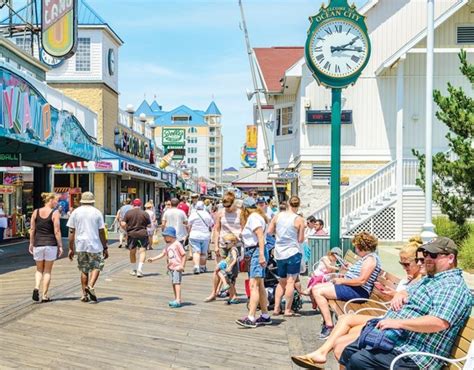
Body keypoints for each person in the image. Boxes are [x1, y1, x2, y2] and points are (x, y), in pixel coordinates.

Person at [336, 237, 472, 370]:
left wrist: (398, 323)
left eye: (433, 254)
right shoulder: (430, 280)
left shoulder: (452, 287)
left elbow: (439, 322)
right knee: (348, 351)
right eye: (426, 254)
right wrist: (402, 293)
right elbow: (409, 291)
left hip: (415, 355)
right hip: (396, 340)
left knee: (359, 360)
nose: (427, 258)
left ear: (450, 258)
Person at [292, 242, 427, 369]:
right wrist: (392, 293)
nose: (403, 267)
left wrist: (402, 293)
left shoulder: (422, 283)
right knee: (345, 320)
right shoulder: (408, 280)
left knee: (342, 344)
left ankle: (322, 350)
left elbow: (416, 307)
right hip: (387, 316)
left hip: (391, 321)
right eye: (401, 263)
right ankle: (321, 352)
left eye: (407, 264)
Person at [311, 231, 381, 339]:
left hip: (358, 291)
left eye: (356, 247)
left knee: (318, 291)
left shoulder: (370, 260)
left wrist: (342, 281)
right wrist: (350, 267)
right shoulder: (367, 258)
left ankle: (329, 326)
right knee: (315, 288)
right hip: (353, 288)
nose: (356, 249)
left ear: (361, 246)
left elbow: (362, 280)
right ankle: (327, 323)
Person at [235, 197, 271, 328]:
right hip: (255, 251)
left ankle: (251, 317)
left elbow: (260, 237)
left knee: (254, 285)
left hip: (256, 251)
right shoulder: (257, 216)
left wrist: (261, 255)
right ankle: (265, 315)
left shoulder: (253, 218)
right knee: (259, 285)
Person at [267, 195, 305, 316]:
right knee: (290, 282)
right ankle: (288, 310)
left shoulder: (278, 216)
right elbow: (300, 239)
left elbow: (269, 231)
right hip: (293, 252)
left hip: (279, 252)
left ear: (288, 203)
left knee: (281, 282)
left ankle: (276, 308)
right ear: (298, 205)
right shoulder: (299, 219)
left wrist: (278, 235)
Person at [67, 192, 108, 302]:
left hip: (80, 244)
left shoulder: (75, 212)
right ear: (92, 201)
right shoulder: (97, 213)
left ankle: (84, 295)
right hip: (95, 244)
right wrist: (105, 246)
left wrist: (71, 248)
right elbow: (101, 231)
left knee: (84, 269)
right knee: (97, 266)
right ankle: (90, 286)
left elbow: (71, 231)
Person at [28, 193, 63, 302]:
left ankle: (36, 287)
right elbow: (57, 230)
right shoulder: (55, 213)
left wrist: (31, 243)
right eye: (56, 200)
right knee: (47, 271)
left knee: (39, 269)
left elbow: (32, 229)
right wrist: (60, 245)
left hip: (38, 244)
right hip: (50, 244)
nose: (57, 203)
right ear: (50, 200)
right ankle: (44, 295)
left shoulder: (35, 212)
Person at [147, 226, 185, 308]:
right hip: (171, 267)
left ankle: (178, 300)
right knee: (173, 283)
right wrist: (153, 259)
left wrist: (182, 266)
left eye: (165, 236)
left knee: (177, 283)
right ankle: (176, 299)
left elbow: (184, 255)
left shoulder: (177, 244)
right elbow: (163, 254)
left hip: (177, 267)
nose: (164, 238)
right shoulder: (168, 244)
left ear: (171, 236)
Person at [205, 233, 240, 304]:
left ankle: (226, 286)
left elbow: (234, 259)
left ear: (233, 242)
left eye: (227, 243)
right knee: (231, 283)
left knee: (221, 274)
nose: (225, 245)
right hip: (231, 268)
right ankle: (232, 296)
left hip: (232, 269)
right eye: (224, 243)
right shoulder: (231, 249)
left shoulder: (233, 250)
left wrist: (230, 266)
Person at [122, 199, 151, 278]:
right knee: (142, 251)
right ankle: (140, 269)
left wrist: (126, 230)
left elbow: (123, 223)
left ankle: (133, 269)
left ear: (133, 205)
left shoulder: (128, 213)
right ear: (140, 205)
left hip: (132, 234)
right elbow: (149, 226)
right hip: (142, 234)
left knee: (132, 251)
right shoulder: (145, 213)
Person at [213, 191, 241, 263]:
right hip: (223, 244)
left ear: (233, 203)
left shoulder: (240, 213)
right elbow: (217, 230)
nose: (226, 208)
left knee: (233, 269)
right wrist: (216, 246)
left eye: (228, 206)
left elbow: (244, 228)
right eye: (224, 206)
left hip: (236, 244)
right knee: (221, 267)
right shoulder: (221, 212)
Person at [187, 200, 214, 274]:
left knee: (196, 252)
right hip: (205, 236)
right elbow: (211, 224)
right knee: (203, 253)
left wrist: (189, 232)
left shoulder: (193, 214)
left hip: (194, 235)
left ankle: (196, 267)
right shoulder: (207, 214)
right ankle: (202, 267)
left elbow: (188, 224)